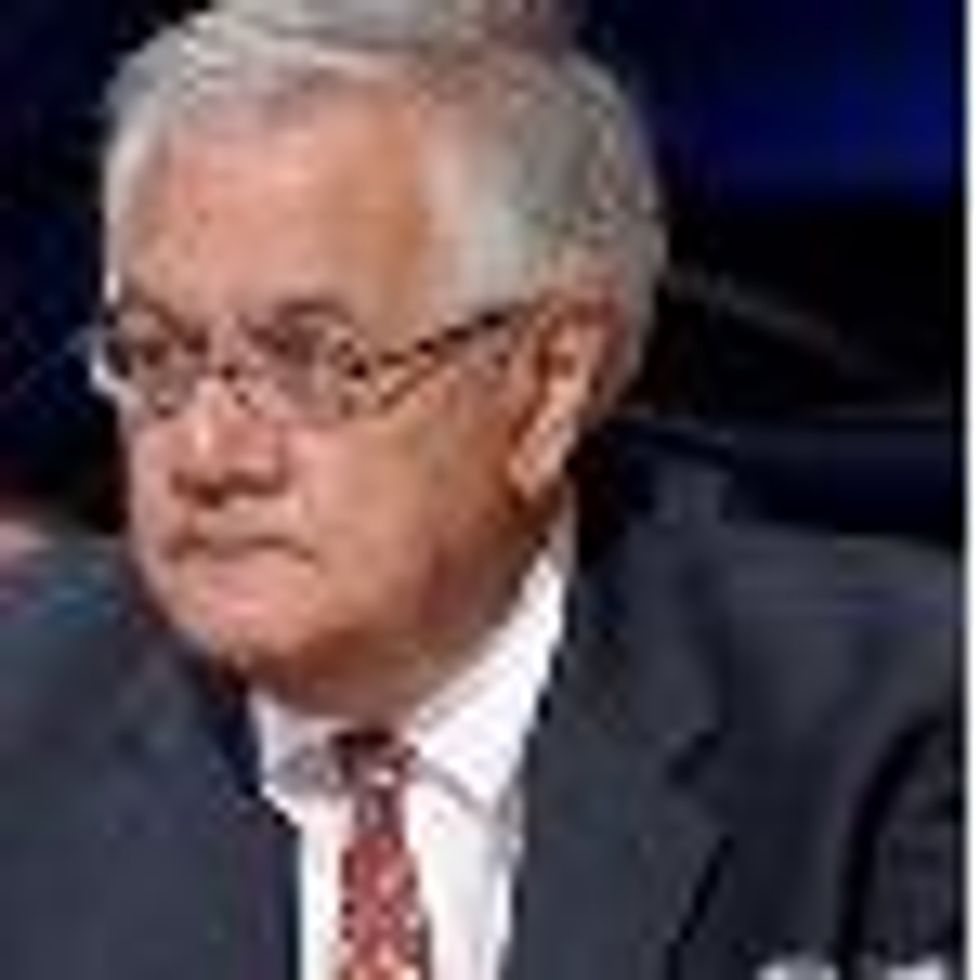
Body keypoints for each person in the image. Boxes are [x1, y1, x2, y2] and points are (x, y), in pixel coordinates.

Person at [0, 1, 960, 978]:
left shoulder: (905, 716)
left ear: (547, 385)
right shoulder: (22, 702)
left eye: (313, 361)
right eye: (154, 355)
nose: (207, 453)